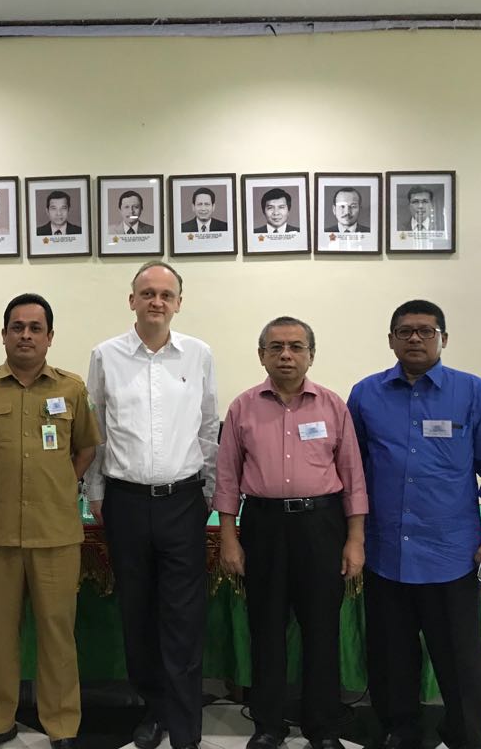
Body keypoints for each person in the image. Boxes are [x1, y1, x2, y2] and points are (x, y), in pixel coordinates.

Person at [347, 300, 481, 749]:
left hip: (451, 555)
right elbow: (352, 469)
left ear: (444, 338)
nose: (415, 338)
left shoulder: (476, 393)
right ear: (391, 340)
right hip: (385, 553)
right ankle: (399, 730)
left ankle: (465, 736)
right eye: (405, 331)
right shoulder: (365, 395)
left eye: (426, 331)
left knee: (460, 660)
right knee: (390, 657)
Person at [0, 293, 101, 749]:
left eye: (36, 328)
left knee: (57, 633)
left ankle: (62, 725)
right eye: (17, 327)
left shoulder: (71, 388)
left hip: (55, 535)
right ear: (4, 335)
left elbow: (86, 448)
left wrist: (61, 482)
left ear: (50, 337)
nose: (26, 335)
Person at [214, 316, 368, 749]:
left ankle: (323, 727)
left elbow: (353, 477)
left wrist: (355, 539)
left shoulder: (333, 406)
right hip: (263, 526)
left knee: (322, 629)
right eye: (276, 347)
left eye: (296, 347)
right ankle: (268, 725)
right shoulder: (243, 407)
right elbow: (226, 477)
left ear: (310, 355)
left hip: (321, 525)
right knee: (266, 629)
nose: (286, 355)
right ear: (261, 354)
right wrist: (229, 537)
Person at [83, 261, 219, 749]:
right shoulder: (106, 355)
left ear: (178, 302)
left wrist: (209, 489)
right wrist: (95, 492)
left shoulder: (198, 354)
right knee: (137, 614)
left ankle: (184, 727)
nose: (156, 302)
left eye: (166, 294)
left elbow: (209, 425)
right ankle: (154, 710)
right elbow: (96, 429)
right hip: (125, 502)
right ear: (132, 301)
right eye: (147, 293)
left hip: (183, 501)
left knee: (183, 618)